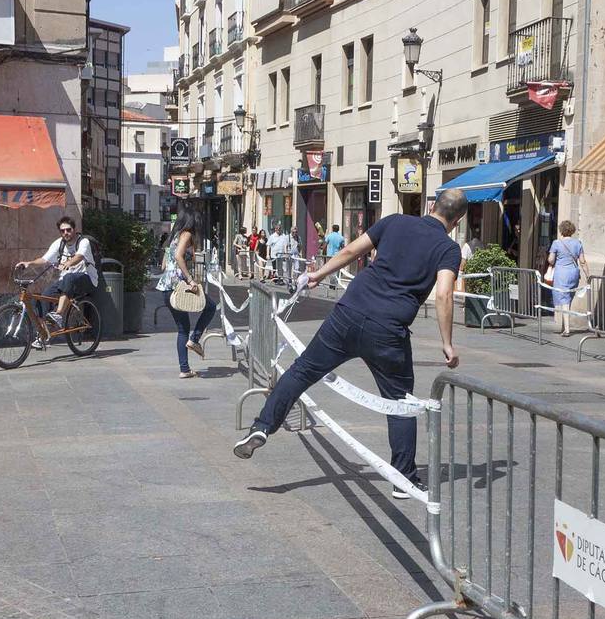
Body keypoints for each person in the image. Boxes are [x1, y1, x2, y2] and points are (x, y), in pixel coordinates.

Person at [233, 189, 470, 499]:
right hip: (388, 329)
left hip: (349, 310)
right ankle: (403, 479)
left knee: (302, 370)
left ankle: (262, 427)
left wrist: (317, 274)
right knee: (400, 402)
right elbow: (443, 295)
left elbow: (350, 253)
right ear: (457, 219)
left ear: (432, 206)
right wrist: (447, 343)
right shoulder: (447, 249)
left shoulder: (394, 222)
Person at [16, 216, 98, 347]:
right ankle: (44, 335)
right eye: (62, 231)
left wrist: (69, 263)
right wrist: (29, 263)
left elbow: (79, 256)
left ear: (74, 229)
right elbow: (45, 260)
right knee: (43, 297)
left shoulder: (83, 242)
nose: (65, 233)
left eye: (68, 230)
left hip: (86, 278)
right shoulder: (59, 243)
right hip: (66, 280)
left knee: (69, 278)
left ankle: (58, 314)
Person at [157, 203, 218, 379]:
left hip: (166, 288)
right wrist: (190, 279)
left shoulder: (173, 236)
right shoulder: (187, 234)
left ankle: (185, 369)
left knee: (182, 328)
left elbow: (164, 264)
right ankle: (195, 339)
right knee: (211, 307)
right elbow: (178, 256)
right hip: (180, 286)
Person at [548, 220, 590, 337]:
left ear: (561, 230)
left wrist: (552, 259)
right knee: (568, 298)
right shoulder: (578, 243)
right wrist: (588, 275)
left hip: (562, 273)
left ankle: (567, 329)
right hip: (573, 273)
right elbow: (582, 261)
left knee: (564, 300)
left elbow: (551, 260)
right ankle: (564, 325)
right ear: (572, 231)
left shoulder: (556, 243)